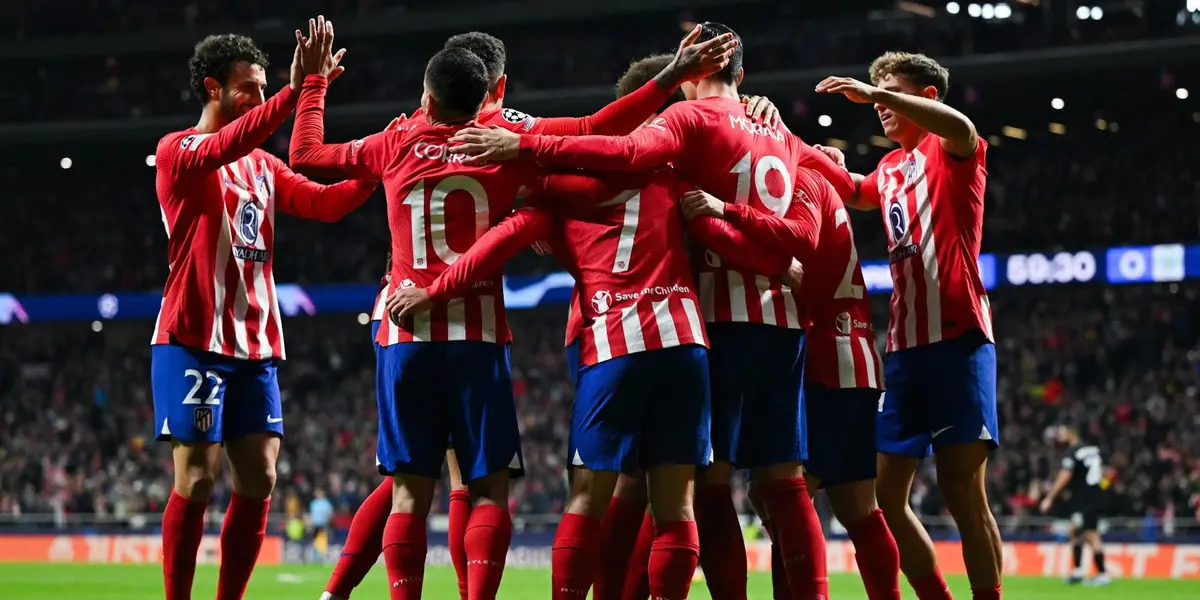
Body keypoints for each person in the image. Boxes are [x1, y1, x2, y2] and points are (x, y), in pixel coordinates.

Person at [288, 22, 736, 600]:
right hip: (479, 333)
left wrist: (315, 85)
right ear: (493, 91)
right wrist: (672, 75)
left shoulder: (393, 139)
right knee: (486, 492)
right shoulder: (508, 137)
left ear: (426, 96)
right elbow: (598, 130)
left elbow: (306, 154)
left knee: (407, 493)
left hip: (404, 332)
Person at [447, 22, 855, 600]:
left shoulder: (674, 138)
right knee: (773, 485)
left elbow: (611, 171)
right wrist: (780, 260)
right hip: (758, 325)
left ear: (687, 81)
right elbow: (819, 204)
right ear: (742, 75)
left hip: (669, 324)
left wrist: (527, 162)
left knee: (656, 489)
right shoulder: (774, 136)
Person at [151, 22, 377, 600]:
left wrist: (381, 165)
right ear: (212, 89)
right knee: (197, 477)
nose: (256, 96)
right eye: (247, 88)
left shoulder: (265, 169)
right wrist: (296, 92)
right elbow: (231, 140)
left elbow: (324, 204)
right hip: (193, 337)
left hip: (255, 346)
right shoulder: (180, 152)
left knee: (261, 477)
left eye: (263, 86)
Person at [815, 51, 1000, 600]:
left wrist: (878, 94)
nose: (880, 105)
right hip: (904, 350)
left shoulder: (951, 151)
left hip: (959, 339)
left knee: (963, 491)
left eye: (892, 92)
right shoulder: (892, 169)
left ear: (926, 97)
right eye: (878, 94)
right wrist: (809, 154)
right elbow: (855, 191)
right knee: (884, 496)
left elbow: (963, 127)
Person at [681, 162, 900, 599]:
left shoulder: (791, 183)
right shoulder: (823, 185)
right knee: (858, 507)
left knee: (779, 493)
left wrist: (726, 211)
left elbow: (793, 250)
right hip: (858, 358)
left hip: (824, 357)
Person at [1040, 425, 1110, 586]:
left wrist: (1050, 497)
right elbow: (1107, 473)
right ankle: (1078, 571)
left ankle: (1102, 573)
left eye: (1062, 433)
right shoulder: (1094, 449)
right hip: (1096, 495)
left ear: (1072, 433)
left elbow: (1065, 475)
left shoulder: (1073, 452)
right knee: (1074, 530)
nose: (1059, 436)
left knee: (1091, 534)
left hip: (1086, 498)